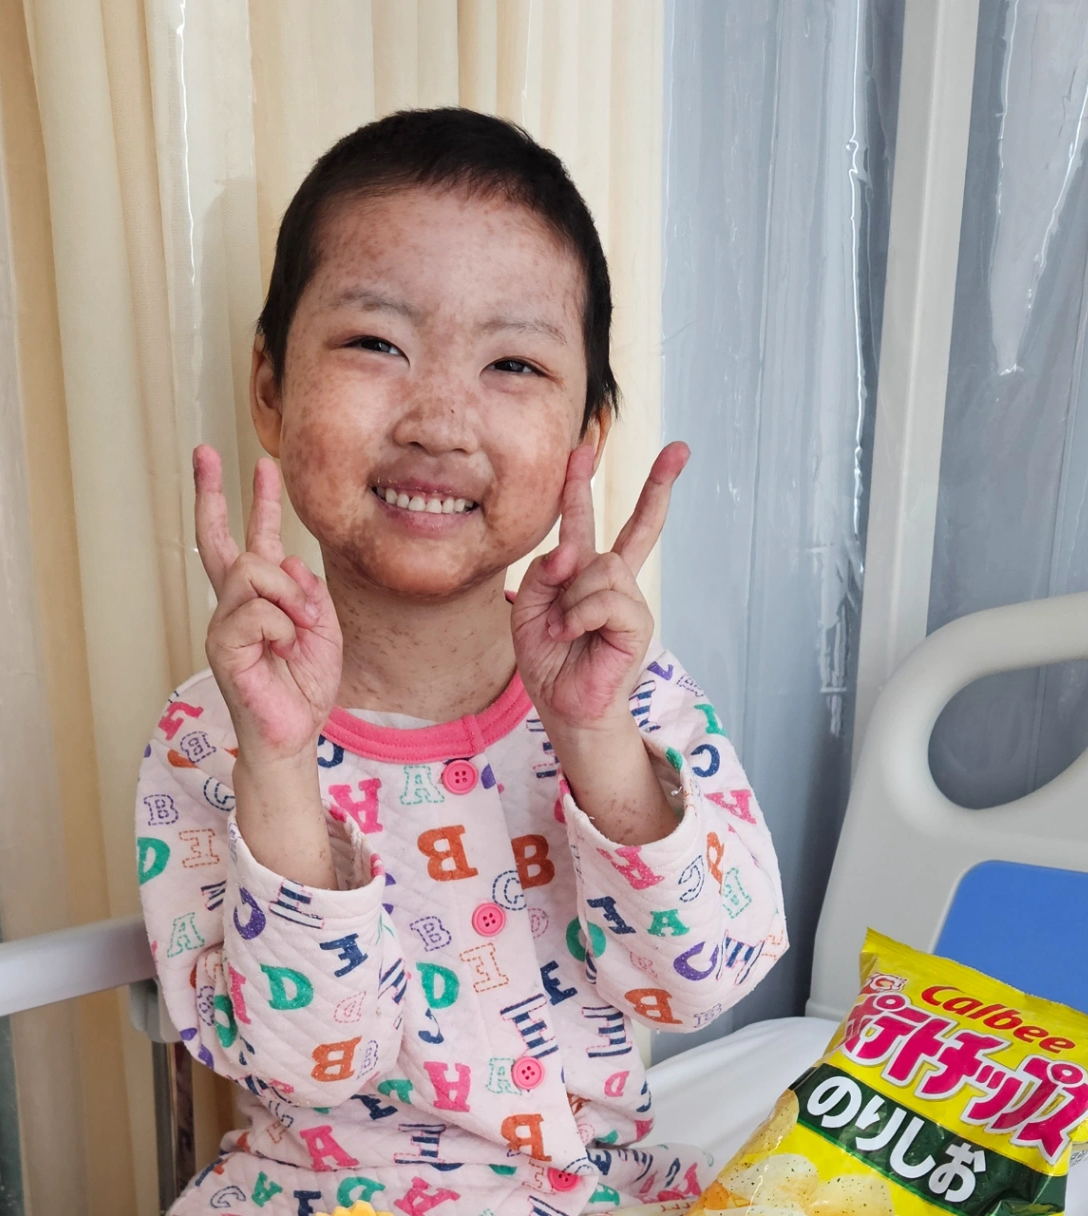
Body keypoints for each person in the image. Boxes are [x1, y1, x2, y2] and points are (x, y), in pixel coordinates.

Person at [136, 108, 785, 1216]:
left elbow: (706, 983)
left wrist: (596, 742)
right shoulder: (211, 733)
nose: (439, 421)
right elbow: (308, 1066)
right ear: (270, 389)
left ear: (584, 438)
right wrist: (280, 767)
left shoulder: (632, 696)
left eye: (513, 363)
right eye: (376, 345)